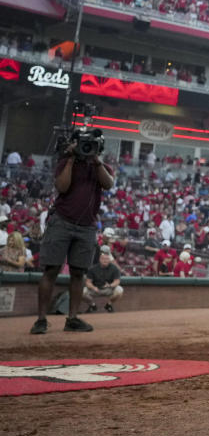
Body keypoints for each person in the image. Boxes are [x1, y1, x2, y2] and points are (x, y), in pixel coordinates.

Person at [30, 136, 115, 334]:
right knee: (51, 270)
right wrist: (70, 158)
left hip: (87, 227)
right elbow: (62, 187)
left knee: (78, 273)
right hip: (62, 221)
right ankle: (41, 320)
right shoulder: (65, 163)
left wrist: (96, 161)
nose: (87, 149)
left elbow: (108, 184)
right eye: (84, 146)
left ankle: (73, 319)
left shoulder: (101, 167)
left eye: (92, 146)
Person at [83, 245, 123, 312]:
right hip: (95, 288)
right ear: (100, 258)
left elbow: (117, 281)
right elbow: (88, 282)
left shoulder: (113, 267)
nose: (105, 260)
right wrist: (93, 287)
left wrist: (110, 285)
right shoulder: (93, 263)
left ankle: (109, 305)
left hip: (108, 288)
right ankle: (92, 305)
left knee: (119, 290)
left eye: (107, 259)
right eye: (103, 259)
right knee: (82, 291)